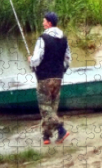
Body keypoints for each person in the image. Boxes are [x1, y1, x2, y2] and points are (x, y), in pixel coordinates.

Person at [28, 12, 72, 145]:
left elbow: (36, 60)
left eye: (44, 21)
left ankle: (61, 129)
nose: (42, 23)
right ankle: (46, 137)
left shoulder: (43, 38)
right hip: (58, 77)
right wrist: (61, 70)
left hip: (44, 78)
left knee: (45, 108)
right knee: (52, 108)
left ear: (49, 23)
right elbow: (68, 59)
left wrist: (31, 60)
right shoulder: (64, 38)